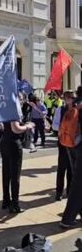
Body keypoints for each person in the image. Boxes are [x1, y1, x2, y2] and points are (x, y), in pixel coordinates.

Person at [0, 119, 34, 214]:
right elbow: (16, 129)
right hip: (14, 143)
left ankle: (6, 200)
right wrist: (28, 126)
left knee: (6, 173)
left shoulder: (3, 106)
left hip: (4, 141)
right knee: (15, 175)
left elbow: (2, 125)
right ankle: (15, 204)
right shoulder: (13, 107)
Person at [60, 86, 82, 228]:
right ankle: (67, 219)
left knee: (78, 182)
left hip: (73, 146)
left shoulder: (76, 106)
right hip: (79, 147)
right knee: (79, 184)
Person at [53, 91, 73, 201]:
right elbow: (54, 125)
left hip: (74, 143)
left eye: (72, 97)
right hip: (63, 142)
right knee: (61, 168)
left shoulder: (77, 110)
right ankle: (58, 192)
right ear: (64, 99)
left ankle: (69, 190)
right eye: (68, 97)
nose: (70, 99)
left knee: (71, 168)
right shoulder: (60, 110)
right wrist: (61, 128)